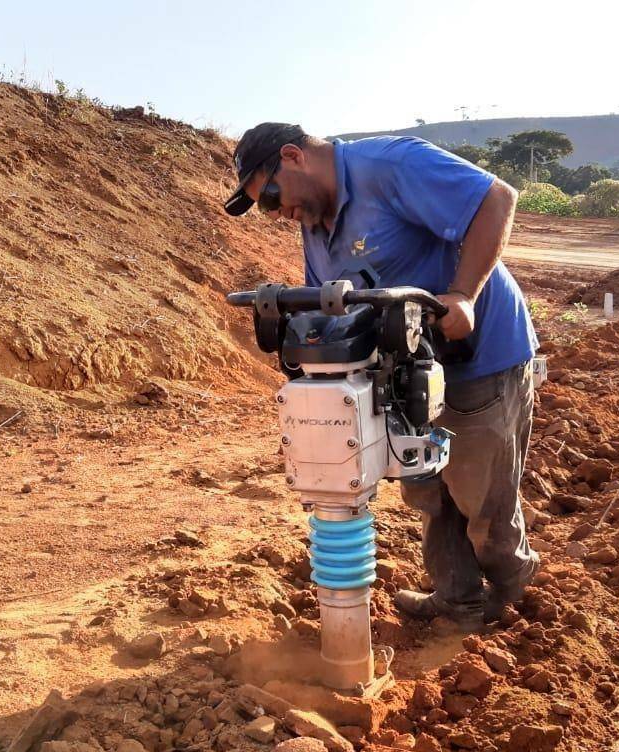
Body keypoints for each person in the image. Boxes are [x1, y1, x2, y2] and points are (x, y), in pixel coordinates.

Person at [223, 122, 539, 627]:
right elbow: (332, 307)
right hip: (407, 366)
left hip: (478, 356)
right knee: (428, 488)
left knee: (482, 500)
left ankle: (509, 593)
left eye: (272, 196)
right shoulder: (316, 224)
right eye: (269, 207)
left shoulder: (390, 165)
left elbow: (496, 199)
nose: (279, 213)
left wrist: (462, 295)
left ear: (293, 157)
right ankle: (457, 600)